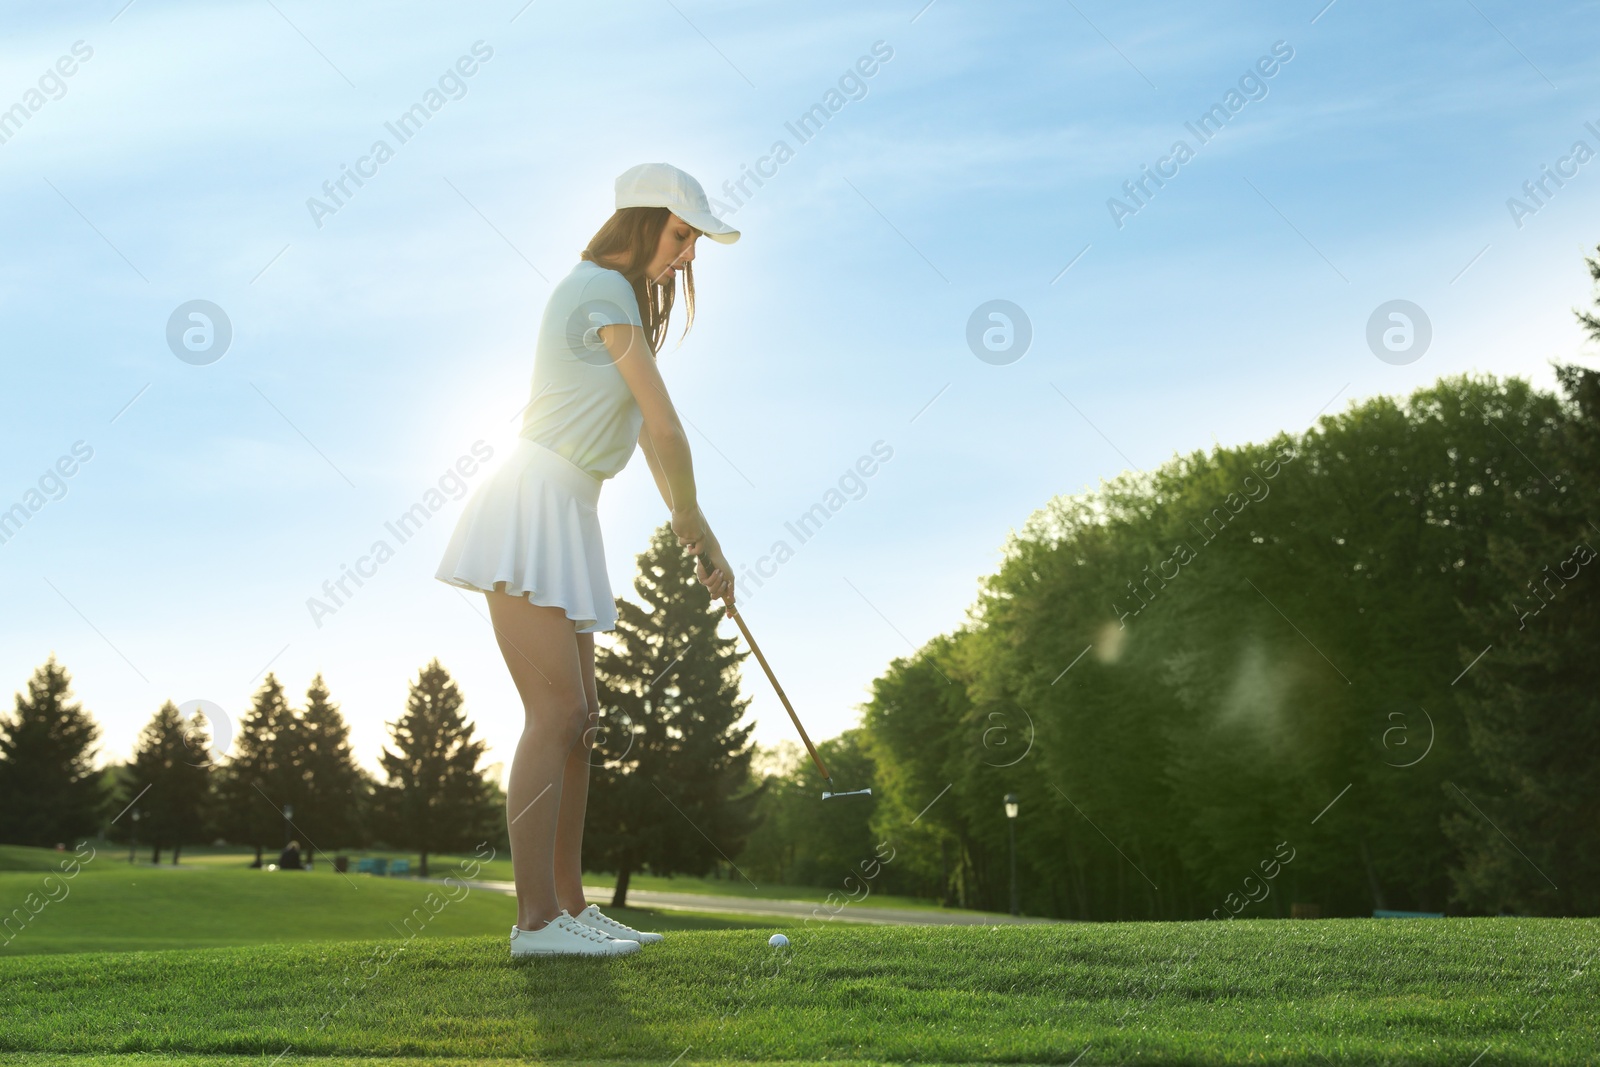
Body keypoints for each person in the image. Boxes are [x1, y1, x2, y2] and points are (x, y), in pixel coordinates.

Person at [435, 162, 739, 958]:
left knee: (582, 724)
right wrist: (696, 519)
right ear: (640, 223)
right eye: (681, 235)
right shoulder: (598, 288)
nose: (688, 254)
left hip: (569, 507)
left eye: (695, 240)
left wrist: (692, 536)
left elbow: (640, 435)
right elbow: (663, 422)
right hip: (530, 500)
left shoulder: (617, 301)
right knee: (558, 714)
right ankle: (534, 923)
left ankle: (570, 909)